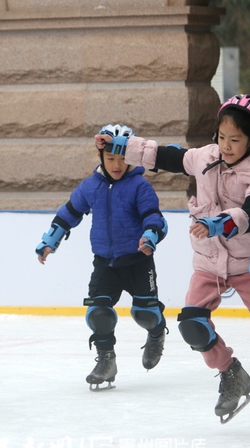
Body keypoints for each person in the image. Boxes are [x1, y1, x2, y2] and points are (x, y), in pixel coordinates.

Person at [97, 95, 250, 423]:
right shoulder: (206, 157)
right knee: (192, 326)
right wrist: (122, 145)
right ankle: (230, 372)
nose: (226, 146)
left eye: (236, 140)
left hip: (248, 263)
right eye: (222, 137)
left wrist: (218, 223)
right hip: (208, 263)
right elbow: (166, 156)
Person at [36, 124, 169, 391]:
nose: (116, 165)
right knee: (98, 313)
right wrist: (50, 241)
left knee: (145, 314)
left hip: (138, 261)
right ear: (101, 157)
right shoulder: (91, 186)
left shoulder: (140, 186)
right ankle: (106, 360)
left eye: (123, 158)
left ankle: (156, 332)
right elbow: (68, 213)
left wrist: (150, 237)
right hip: (105, 263)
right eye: (110, 159)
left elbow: (155, 218)